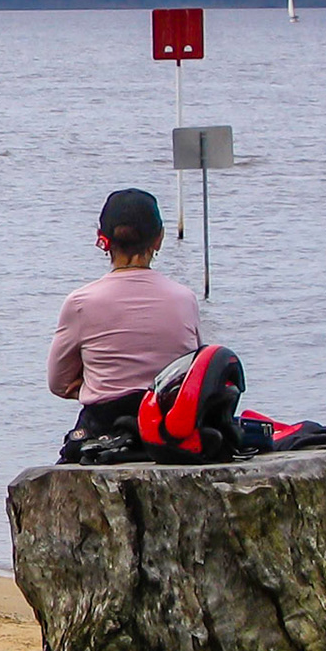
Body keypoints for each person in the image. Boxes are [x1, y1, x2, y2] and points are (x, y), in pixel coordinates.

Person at [48, 188, 200, 456]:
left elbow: (58, 384)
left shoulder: (81, 303)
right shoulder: (184, 298)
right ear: (159, 239)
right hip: (166, 431)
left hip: (104, 427)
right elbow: (190, 372)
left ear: (102, 239)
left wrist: (92, 383)